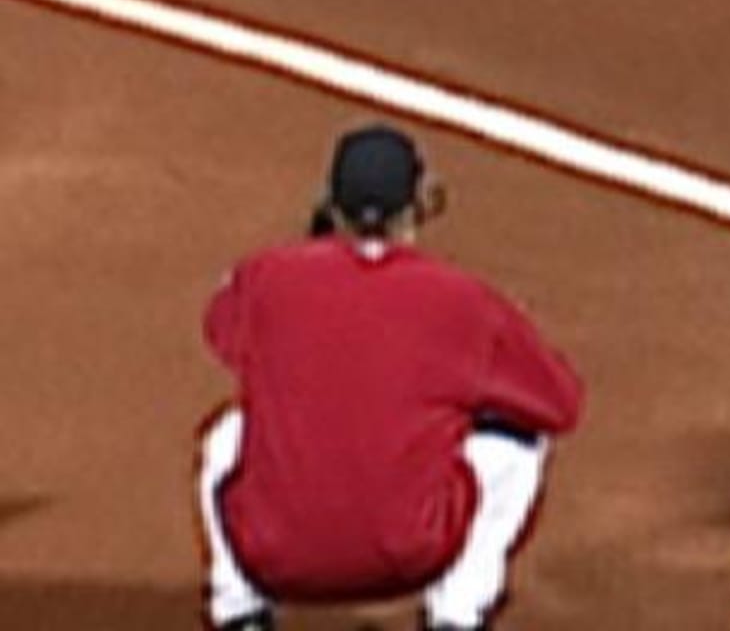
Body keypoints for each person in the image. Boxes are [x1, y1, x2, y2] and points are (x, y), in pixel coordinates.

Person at [197, 125, 585, 631]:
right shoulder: (462, 300)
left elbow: (222, 330)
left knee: (227, 438)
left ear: (330, 206)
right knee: (518, 445)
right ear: (417, 206)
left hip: (275, 552)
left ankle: (241, 611)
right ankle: (456, 616)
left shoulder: (266, 278)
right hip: (411, 550)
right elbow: (560, 404)